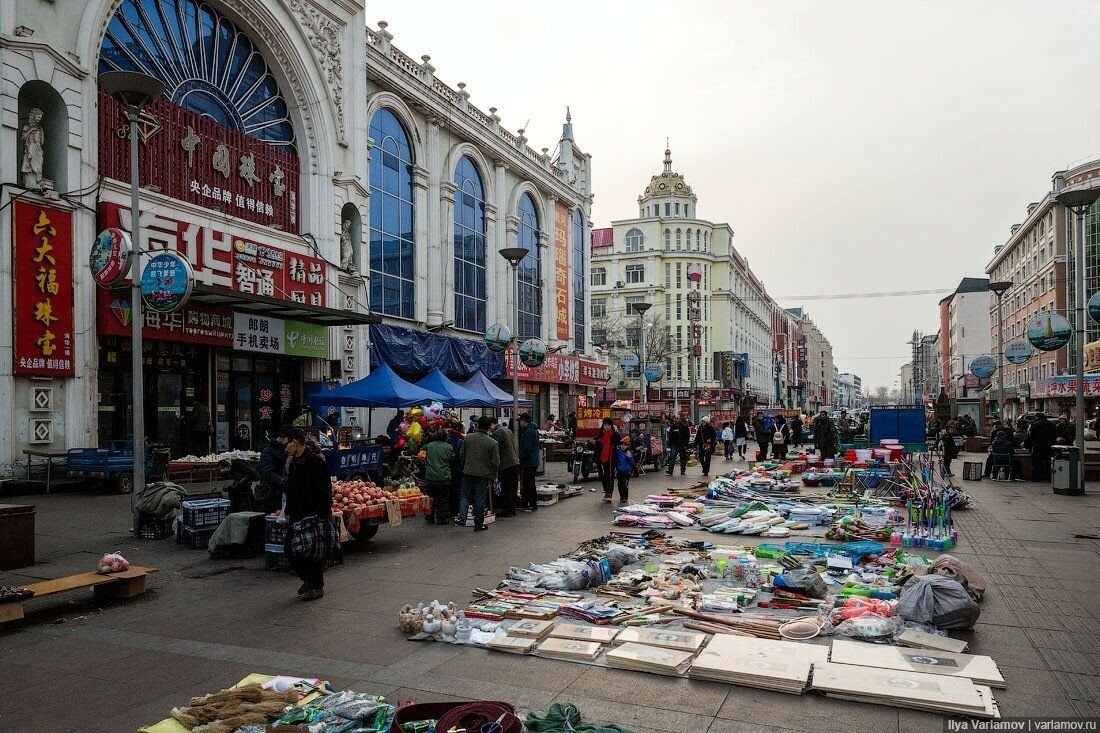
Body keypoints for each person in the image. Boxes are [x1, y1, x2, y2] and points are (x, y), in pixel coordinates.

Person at [282, 428, 333, 601]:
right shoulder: (293, 462)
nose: (285, 447)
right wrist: (288, 511)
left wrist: (322, 514)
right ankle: (308, 579)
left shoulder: (314, 461)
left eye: (287, 443)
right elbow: (290, 489)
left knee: (311, 552)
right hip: (296, 513)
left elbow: (325, 489)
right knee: (290, 549)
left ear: (296, 442)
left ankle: (317, 586)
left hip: (312, 514)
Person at [457, 416, 499, 531]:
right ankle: (478, 524)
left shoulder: (468, 438)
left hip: (468, 472)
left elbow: (461, 455)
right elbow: (495, 462)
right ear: (490, 427)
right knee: (479, 499)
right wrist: (493, 475)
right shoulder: (493, 443)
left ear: (477, 425)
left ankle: (462, 518)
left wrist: (465, 466)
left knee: (464, 496)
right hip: (483, 474)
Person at [423, 430, 454, 525]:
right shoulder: (449, 447)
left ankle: (429, 517)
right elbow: (452, 460)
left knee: (430, 498)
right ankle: (441, 518)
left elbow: (426, 458)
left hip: (430, 477)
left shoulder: (430, 446)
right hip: (443, 477)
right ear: (446, 437)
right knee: (443, 499)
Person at [492, 416, 520, 517]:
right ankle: (512, 509)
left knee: (506, 488)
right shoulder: (508, 430)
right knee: (513, 487)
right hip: (514, 462)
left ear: (492, 425)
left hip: (505, 464)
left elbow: (494, 449)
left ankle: (507, 510)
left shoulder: (497, 433)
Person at [518, 413, 541, 511]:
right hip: (533, 460)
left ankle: (531, 504)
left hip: (529, 461)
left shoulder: (528, 431)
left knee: (528, 483)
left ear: (523, 421)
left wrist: (521, 458)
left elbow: (526, 448)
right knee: (530, 482)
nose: (519, 423)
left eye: (520, 421)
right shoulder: (534, 429)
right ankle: (529, 502)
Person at [1027, 413, 1056, 482]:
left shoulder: (1035, 424)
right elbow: (1055, 435)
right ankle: (1049, 477)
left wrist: (1028, 444)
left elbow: (1032, 436)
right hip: (1049, 446)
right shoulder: (1052, 424)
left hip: (1038, 446)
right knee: (1048, 462)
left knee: (1038, 462)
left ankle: (1038, 477)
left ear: (1036, 417)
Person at [595, 417, 619, 501]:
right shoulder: (600, 435)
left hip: (611, 459)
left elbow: (618, 446)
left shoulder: (615, 435)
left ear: (611, 426)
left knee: (610, 476)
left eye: (608, 425)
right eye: (605, 425)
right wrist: (596, 459)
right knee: (603, 476)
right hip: (602, 459)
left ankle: (609, 494)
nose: (607, 427)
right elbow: (596, 448)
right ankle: (606, 492)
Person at [614, 436, 635, 505]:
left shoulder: (629, 452)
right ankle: (621, 496)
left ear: (628, 446)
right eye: (622, 445)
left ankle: (624, 497)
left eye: (625, 445)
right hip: (619, 471)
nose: (623, 446)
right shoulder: (618, 451)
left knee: (625, 484)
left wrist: (630, 457)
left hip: (626, 471)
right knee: (619, 484)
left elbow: (632, 462)